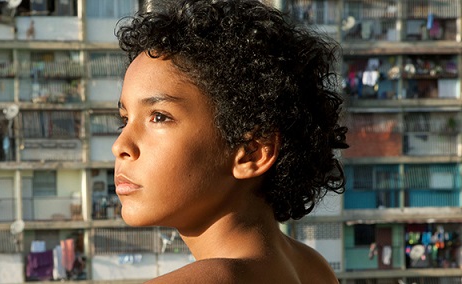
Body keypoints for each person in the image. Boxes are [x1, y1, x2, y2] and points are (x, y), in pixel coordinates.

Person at [111, 0, 348, 283]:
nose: (120, 146)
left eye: (159, 117)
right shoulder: (313, 269)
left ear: (252, 151)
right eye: (125, 119)